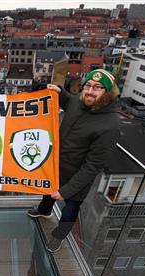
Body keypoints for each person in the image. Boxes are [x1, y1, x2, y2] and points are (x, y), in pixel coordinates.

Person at [28, 69, 121, 252]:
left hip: (78, 178)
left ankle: (59, 235)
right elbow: (69, 102)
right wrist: (59, 93)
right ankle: (44, 211)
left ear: (108, 93)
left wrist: (67, 190)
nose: (89, 91)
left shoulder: (110, 125)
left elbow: (93, 166)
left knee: (70, 208)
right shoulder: (79, 102)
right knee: (49, 193)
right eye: (87, 85)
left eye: (97, 88)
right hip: (57, 166)